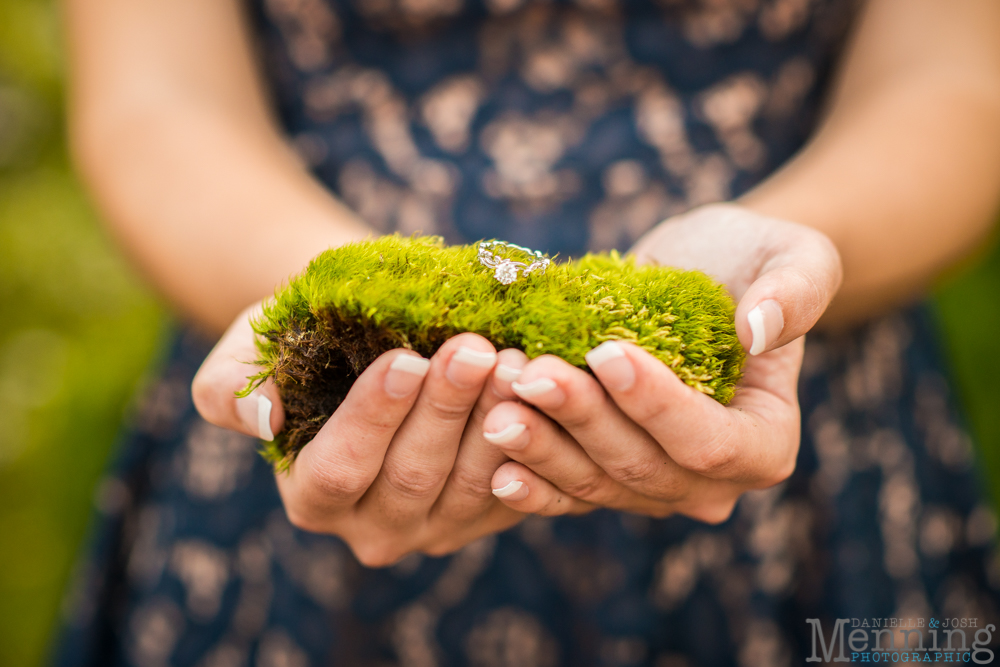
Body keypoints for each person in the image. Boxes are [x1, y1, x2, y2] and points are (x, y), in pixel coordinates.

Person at [55, 0, 1000, 664]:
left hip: (787, 404)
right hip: (322, 385)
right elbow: (156, 96)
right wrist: (339, 308)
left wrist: (795, 261)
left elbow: (953, 82)